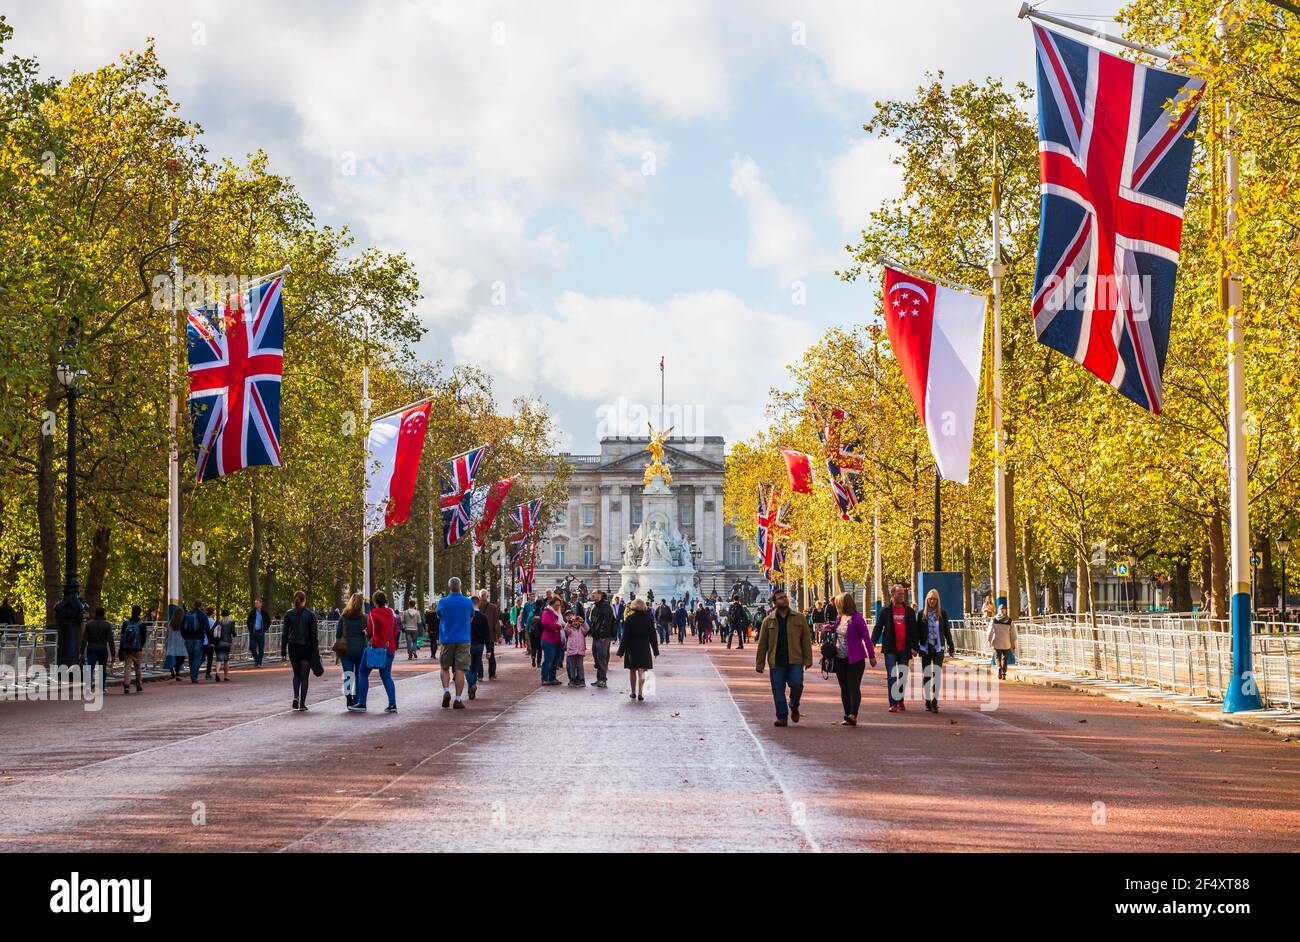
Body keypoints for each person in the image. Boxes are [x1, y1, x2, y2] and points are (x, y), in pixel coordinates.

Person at [754, 588, 810, 727]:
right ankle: (782, 716)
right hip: (776, 661)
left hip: (795, 659)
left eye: (785, 597)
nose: (784, 599)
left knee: (797, 685)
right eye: (780, 598)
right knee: (778, 690)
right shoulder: (768, 621)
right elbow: (762, 644)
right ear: (774, 603)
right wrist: (759, 663)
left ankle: (794, 704)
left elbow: (805, 640)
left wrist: (808, 659)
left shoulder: (799, 618)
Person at [827, 592, 876, 726]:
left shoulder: (857, 618)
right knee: (844, 688)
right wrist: (829, 628)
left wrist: (871, 656)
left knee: (853, 687)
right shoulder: (839, 617)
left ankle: (853, 714)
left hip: (855, 659)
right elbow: (837, 629)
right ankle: (847, 714)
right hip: (839, 658)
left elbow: (866, 638)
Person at [872, 583, 920, 713]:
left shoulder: (909, 611)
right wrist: (872, 643)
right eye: (900, 594)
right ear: (892, 594)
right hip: (890, 649)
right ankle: (893, 703)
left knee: (903, 676)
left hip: (904, 648)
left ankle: (900, 699)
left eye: (903, 594)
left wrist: (915, 646)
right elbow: (878, 628)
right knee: (892, 676)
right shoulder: (885, 611)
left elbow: (914, 630)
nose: (902, 596)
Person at [353, 590, 398, 713]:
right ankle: (392, 704)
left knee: (363, 673)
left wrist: (367, 633)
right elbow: (395, 631)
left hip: (376, 648)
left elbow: (371, 632)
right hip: (389, 648)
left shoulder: (373, 613)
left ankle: (362, 703)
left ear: (374, 602)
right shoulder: (392, 614)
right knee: (386, 677)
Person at [436, 577, 473, 708]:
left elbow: (439, 615)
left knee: (444, 667)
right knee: (460, 670)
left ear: (449, 587)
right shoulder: (468, 603)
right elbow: (471, 618)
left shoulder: (442, 602)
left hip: (447, 638)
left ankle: (446, 690)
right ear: (460, 586)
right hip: (463, 639)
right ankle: (457, 699)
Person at [281, 590, 319, 711]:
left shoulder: (288, 614)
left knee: (296, 674)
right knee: (304, 676)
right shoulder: (310, 615)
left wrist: (283, 652)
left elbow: (284, 634)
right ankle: (302, 703)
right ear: (305, 600)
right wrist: (315, 651)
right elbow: (314, 635)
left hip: (293, 647)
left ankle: (295, 697)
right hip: (306, 647)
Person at [918, 589, 956, 712]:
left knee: (937, 675)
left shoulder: (942, 614)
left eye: (934, 599)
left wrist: (951, 646)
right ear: (926, 600)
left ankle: (935, 702)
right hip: (925, 648)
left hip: (939, 648)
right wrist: (915, 646)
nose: (932, 601)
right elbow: (917, 632)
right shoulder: (921, 614)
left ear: (938, 600)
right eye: (930, 598)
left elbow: (947, 631)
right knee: (927, 675)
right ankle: (928, 700)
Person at [616, 598, 659, 701]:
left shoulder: (630, 619)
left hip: (632, 647)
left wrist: (621, 651)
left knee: (632, 670)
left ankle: (633, 692)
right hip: (644, 647)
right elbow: (653, 636)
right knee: (642, 671)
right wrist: (655, 650)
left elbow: (625, 636)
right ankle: (640, 692)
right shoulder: (648, 619)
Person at [335, 592, 367, 709]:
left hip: (346, 649)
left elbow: (338, 634)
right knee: (359, 675)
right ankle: (358, 699)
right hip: (361, 650)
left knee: (348, 674)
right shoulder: (365, 618)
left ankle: (348, 697)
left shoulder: (344, 617)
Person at [80, 607, 115, 693]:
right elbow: (110, 640)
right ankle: (101, 688)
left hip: (91, 648)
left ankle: (88, 688)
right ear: (103, 613)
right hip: (102, 649)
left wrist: (81, 652)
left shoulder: (89, 624)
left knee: (90, 668)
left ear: (95, 613)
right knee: (102, 669)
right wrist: (113, 654)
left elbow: (84, 640)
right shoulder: (107, 625)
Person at [587, 589, 615, 688]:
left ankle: (602, 679)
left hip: (603, 636)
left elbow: (607, 621)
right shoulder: (595, 606)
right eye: (592, 593)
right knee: (596, 656)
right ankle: (599, 678)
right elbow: (593, 621)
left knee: (602, 657)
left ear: (600, 595)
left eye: (594, 593)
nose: (592, 594)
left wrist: (603, 634)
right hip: (596, 635)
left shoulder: (605, 606)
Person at [118, 605, 148, 694]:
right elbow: (144, 638)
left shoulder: (125, 623)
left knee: (127, 666)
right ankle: (138, 685)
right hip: (137, 649)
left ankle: (127, 685)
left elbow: (122, 637)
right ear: (139, 613)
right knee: (138, 667)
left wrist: (121, 648)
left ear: (131, 612)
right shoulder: (142, 624)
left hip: (127, 649)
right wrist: (140, 646)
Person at [181, 600, 210, 684]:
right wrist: (209, 640)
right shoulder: (203, 615)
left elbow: (182, 627)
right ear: (201, 605)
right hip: (198, 639)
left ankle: (192, 675)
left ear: (193, 605)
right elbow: (207, 629)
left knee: (191, 657)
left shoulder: (187, 614)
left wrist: (185, 637)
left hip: (188, 639)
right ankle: (194, 676)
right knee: (197, 658)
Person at [539, 596, 565, 686]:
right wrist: (558, 626)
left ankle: (552, 678)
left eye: (559, 605)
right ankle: (545, 678)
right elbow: (545, 623)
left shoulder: (558, 614)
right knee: (548, 660)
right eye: (556, 605)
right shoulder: (547, 612)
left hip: (557, 640)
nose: (557, 607)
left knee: (555, 661)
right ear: (552, 604)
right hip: (548, 640)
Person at [468, 596, 490, 699]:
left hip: (468, 644)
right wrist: (489, 649)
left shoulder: (467, 617)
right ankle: (471, 687)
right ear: (479, 604)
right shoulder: (483, 617)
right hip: (480, 645)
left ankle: (471, 685)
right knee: (475, 667)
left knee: (467, 667)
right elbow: (487, 634)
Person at [988, 602, 1016, 680]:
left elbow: (990, 631)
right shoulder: (1010, 621)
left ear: (998, 610)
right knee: (1005, 658)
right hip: (1006, 642)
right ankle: (1004, 673)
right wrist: (1013, 642)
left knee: (997, 657)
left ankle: (999, 667)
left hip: (996, 641)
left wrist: (989, 640)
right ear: (1005, 611)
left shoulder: (993, 619)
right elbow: (1013, 633)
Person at [563, 609, 590, 687]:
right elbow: (565, 629)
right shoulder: (570, 630)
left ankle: (581, 680)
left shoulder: (582, 630)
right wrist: (569, 622)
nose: (575, 623)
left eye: (577, 622)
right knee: (572, 666)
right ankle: (572, 680)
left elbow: (587, 628)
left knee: (580, 666)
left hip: (580, 651)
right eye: (574, 622)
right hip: (571, 651)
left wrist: (583, 621)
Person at [478, 589, 500, 680]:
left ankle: (480, 675)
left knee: (478, 655)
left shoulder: (476, 606)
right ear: (487, 596)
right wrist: (498, 635)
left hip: (478, 634)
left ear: (480, 596)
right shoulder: (493, 607)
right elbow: (496, 623)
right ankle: (492, 674)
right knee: (491, 654)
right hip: (490, 634)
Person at [163, 606, 187, 681]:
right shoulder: (183, 622)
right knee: (181, 658)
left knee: (174, 657)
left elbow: (168, 633)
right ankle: (177, 674)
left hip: (172, 642)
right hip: (181, 642)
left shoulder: (171, 622)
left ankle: (175, 672)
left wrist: (166, 641)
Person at [212, 608, 235, 682]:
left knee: (218, 659)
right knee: (226, 660)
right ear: (228, 615)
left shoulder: (218, 622)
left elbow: (212, 630)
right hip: (227, 642)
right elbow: (233, 632)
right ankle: (226, 676)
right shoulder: (231, 622)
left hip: (218, 642)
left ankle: (217, 672)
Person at [246, 598, 268, 666]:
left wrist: (264, 629)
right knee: (252, 647)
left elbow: (268, 621)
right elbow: (248, 621)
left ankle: (259, 662)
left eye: (257, 603)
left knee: (261, 648)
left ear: (261, 604)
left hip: (261, 632)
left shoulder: (264, 612)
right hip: (253, 632)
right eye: (255, 603)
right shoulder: (252, 612)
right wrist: (250, 629)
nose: (256, 604)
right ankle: (257, 659)